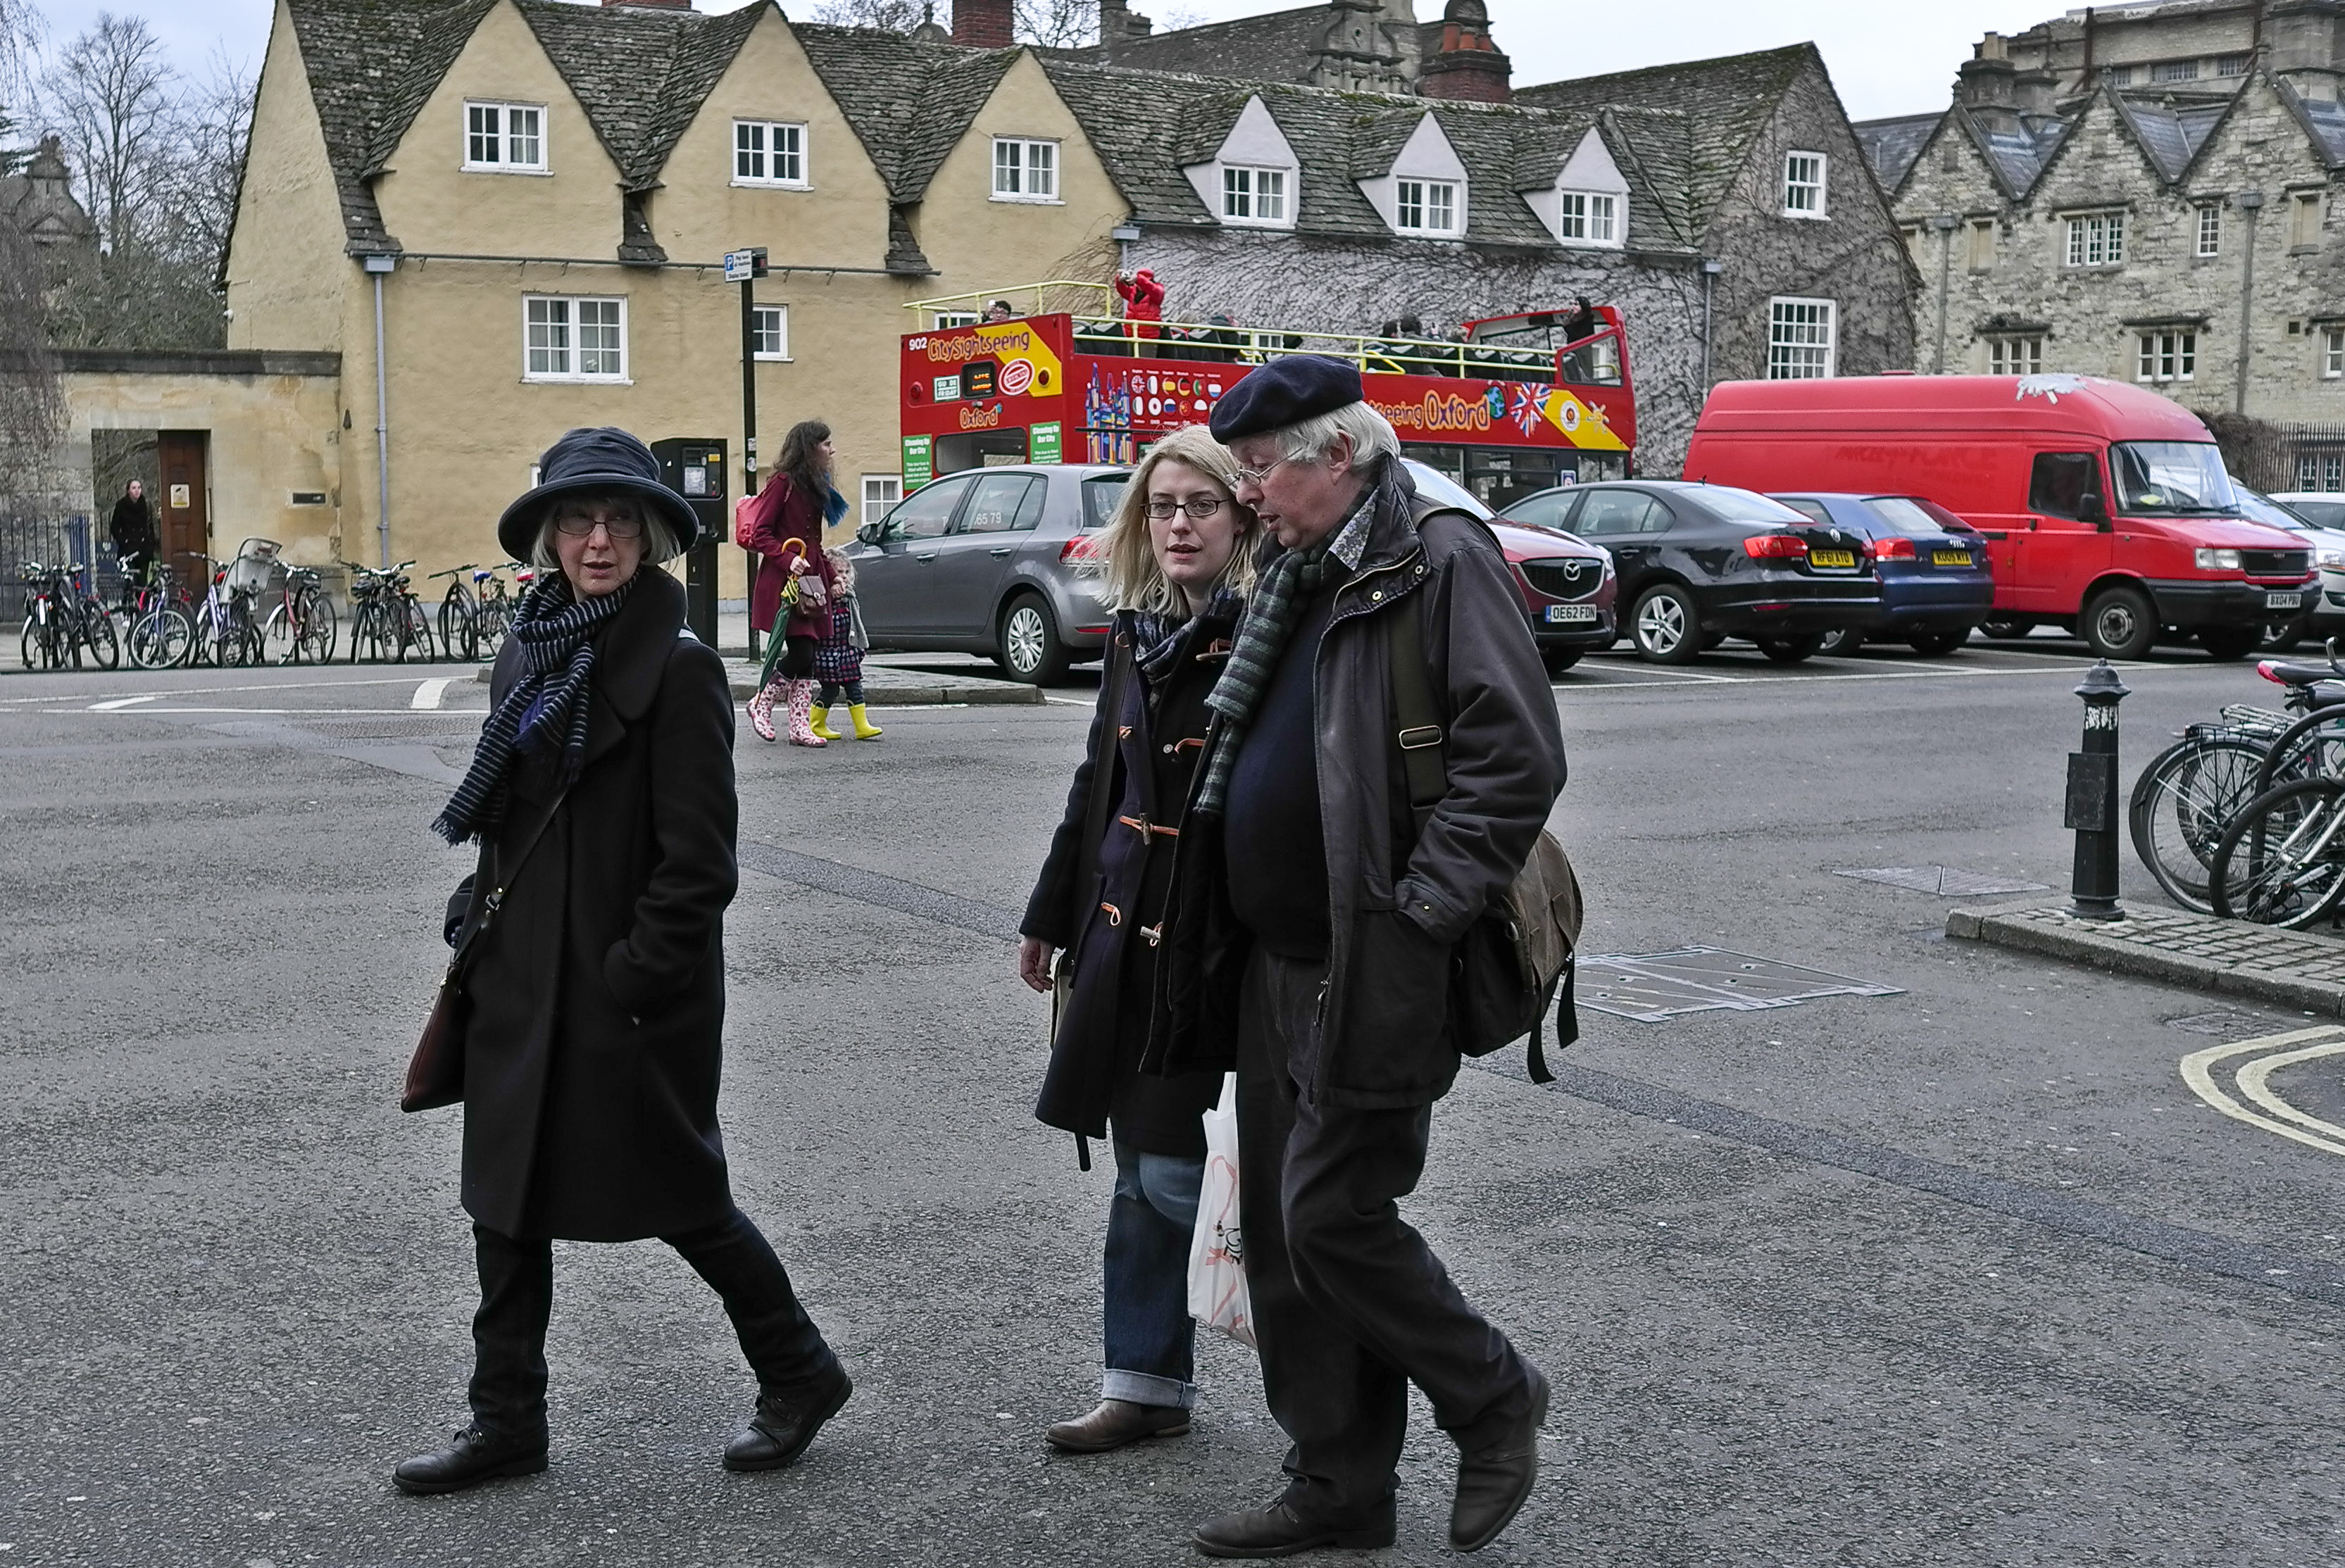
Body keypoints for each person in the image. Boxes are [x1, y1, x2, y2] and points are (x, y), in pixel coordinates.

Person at [1147, 359, 1566, 1557]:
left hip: (1373, 952)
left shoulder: (1436, 554)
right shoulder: (1300, 566)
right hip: (1276, 956)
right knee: (1285, 1236)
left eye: (1260, 470)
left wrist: (1418, 910)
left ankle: (1492, 1394)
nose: (1246, 493)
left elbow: (1515, 757)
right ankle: (1339, 1481)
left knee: (1332, 1214)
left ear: (1339, 454)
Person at [396, 426, 850, 1495]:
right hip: (520, 971)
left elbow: (700, 861)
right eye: (576, 521)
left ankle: (800, 1370)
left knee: (682, 1195)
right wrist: (473, 912)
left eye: (617, 522)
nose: (596, 541)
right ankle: (506, 1418)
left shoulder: (680, 668)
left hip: (624, 990)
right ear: (548, 537)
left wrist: (636, 973)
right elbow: (511, 814)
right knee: (504, 1203)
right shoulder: (527, 647)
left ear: (649, 538)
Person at [1017, 425, 1256, 1457]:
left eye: (1202, 504)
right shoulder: (1136, 630)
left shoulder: (1265, 630)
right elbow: (1098, 783)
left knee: (1177, 1172)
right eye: (1162, 506)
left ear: (1242, 517)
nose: (1179, 525)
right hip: (1124, 934)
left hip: (1217, 945)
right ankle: (1146, 1383)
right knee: (1137, 1172)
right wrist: (1050, 914)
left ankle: (1329, 1396)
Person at [741, 420, 849, 747]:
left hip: (811, 582)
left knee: (809, 655)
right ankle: (761, 702)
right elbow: (761, 533)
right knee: (801, 652)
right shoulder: (782, 483)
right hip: (784, 582)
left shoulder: (816, 486)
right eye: (826, 444)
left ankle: (800, 726)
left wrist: (834, 578)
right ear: (810, 447)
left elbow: (815, 543)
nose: (832, 450)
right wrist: (788, 560)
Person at [809, 545, 881, 742]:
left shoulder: (850, 598)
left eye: (847, 572)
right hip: (828, 654)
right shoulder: (823, 598)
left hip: (847, 652)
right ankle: (816, 724)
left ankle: (862, 726)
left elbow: (856, 625)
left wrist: (859, 648)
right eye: (839, 572)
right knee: (830, 690)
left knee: (855, 687)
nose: (844, 577)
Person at [108, 478, 158, 583]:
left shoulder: (146, 505)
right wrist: (123, 541)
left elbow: (150, 526)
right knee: (129, 581)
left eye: (139, 488)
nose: (137, 491)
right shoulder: (121, 505)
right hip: (128, 550)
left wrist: (151, 545)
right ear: (128, 491)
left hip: (143, 550)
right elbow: (114, 527)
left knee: (142, 581)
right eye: (134, 488)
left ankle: (142, 594)